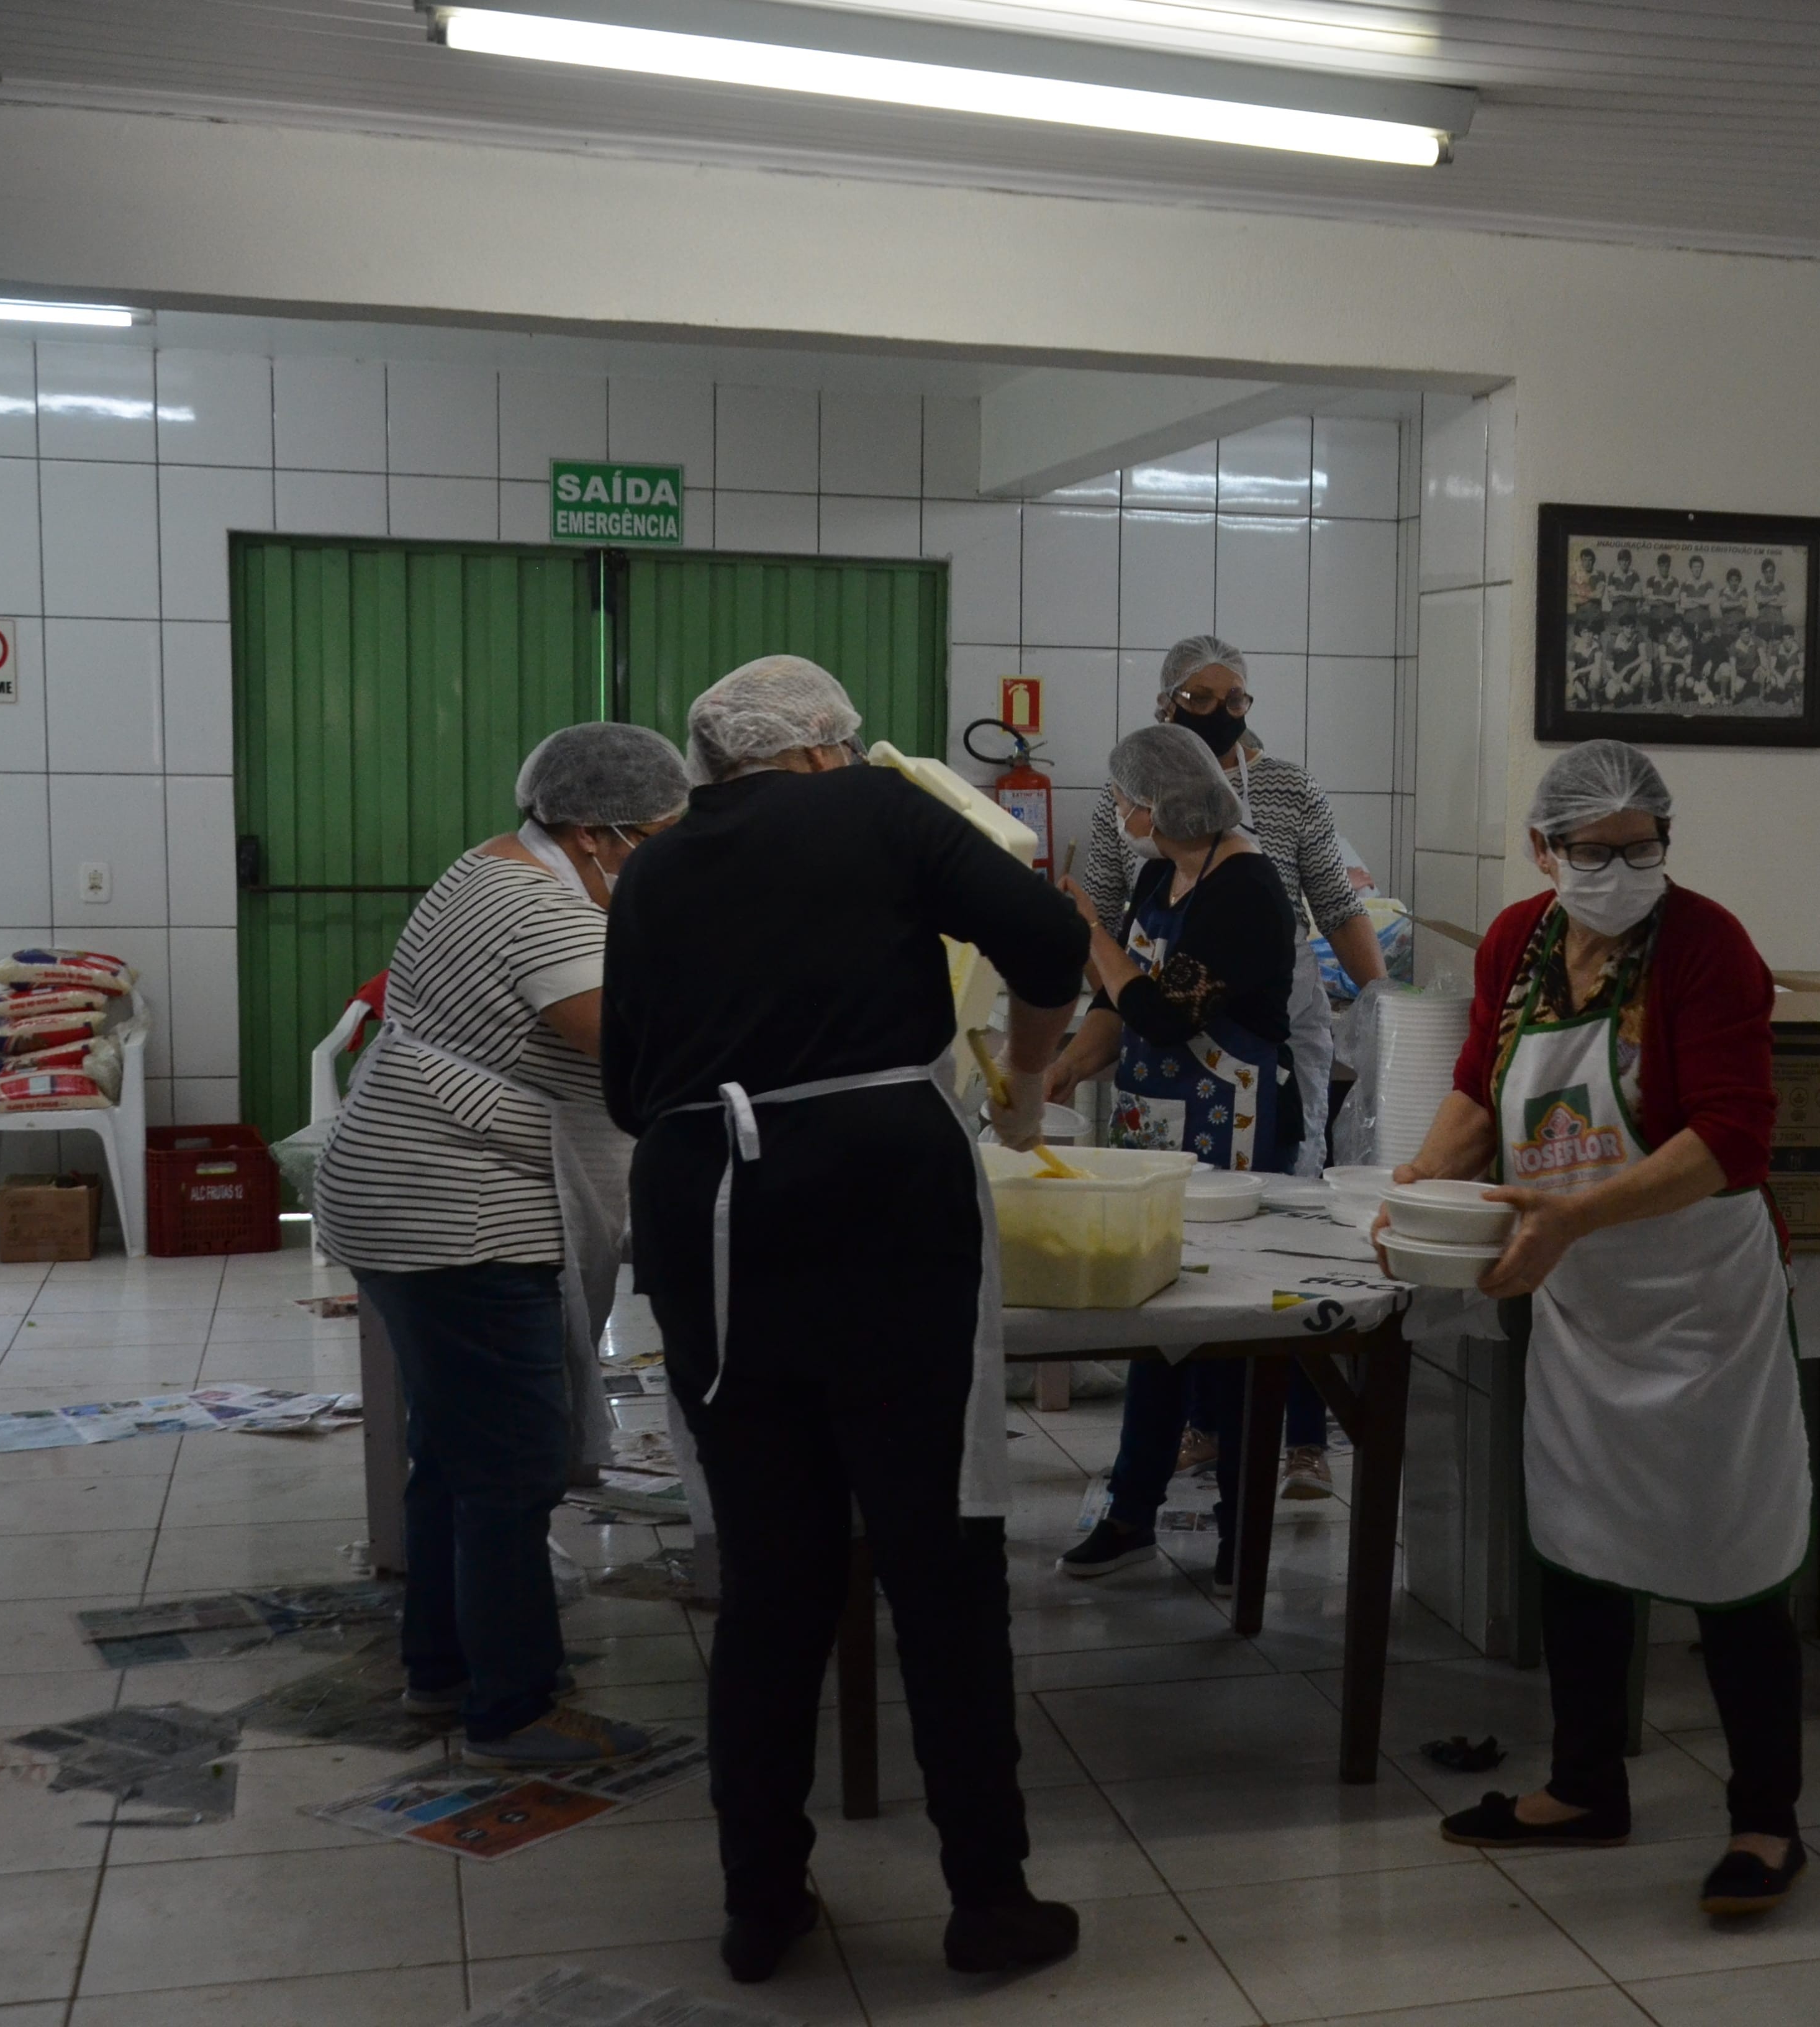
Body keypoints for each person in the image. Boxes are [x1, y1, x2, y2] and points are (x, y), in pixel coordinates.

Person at [602, 656, 1089, 1985]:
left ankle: (760, 1903)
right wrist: (1028, 1079)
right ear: (824, 745)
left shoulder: (647, 868)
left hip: (708, 1222)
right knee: (938, 1559)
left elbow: (627, 1088)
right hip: (883, 1205)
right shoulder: (879, 808)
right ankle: (988, 1901)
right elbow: (1050, 945)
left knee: (772, 1584)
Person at [1388, 740, 1815, 1920]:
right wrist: (1421, 1182)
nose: (1622, 871)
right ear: (1545, 849)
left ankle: (1765, 1816)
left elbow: (1733, 1134)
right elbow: (1481, 1085)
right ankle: (1585, 1785)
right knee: (1575, 1531)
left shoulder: (1706, 945)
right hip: (1582, 1295)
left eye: (1643, 849)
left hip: (1700, 1295)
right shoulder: (1518, 937)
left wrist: (1572, 1214)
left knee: (1729, 1553)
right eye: (1595, 851)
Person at [314, 721, 689, 1769]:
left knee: (458, 1449)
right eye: (655, 834)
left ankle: (444, 1665)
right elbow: (635, 1046)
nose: (666, 850)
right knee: (511, 1465)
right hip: (454, 1213)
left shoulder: (507, 861)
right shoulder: (530, 900)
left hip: (421, 1190)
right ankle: (511, 1710)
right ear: (594, 828)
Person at [1075, 638, 1377, 1499]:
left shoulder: (1281, 796)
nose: (1222, 711)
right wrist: (1071, 1058)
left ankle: (1301, 1442)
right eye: (1200, 696)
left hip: (1258, 1027)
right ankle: (1199, 1437)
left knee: (1268, 1254)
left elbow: (1338, 906)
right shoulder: (1134, 834)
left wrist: (1386, 1013)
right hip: (1157, 1046)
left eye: (1234, 695)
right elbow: (1114, 939)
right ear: (1167, 705)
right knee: (1180, 1281)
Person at [1051, 725, 1299, 1587]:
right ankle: (1130, 1513)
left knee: (1226, 1337)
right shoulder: (1162, 877)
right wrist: (1061, 1071)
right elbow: (1117, 1012)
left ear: (1163, 804)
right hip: (1153, 1134)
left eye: (1125, 800)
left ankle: (1241, 1527)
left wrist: (1087, 930)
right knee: (1151, 1328)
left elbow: (1163, 1011)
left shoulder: (1248, 891)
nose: (1119, 814)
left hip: (1235, 1135)